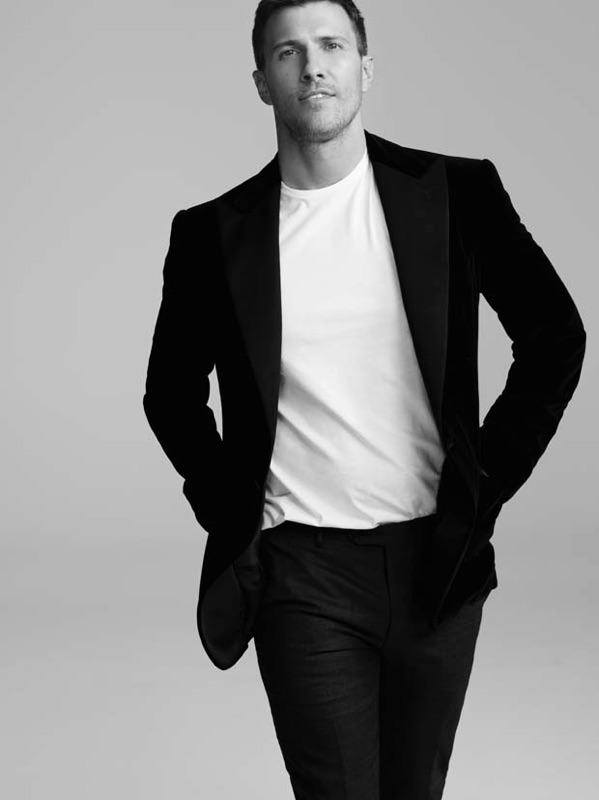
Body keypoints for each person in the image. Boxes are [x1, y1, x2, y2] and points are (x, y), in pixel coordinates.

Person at [142, 1, 586, 797]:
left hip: (434, 560)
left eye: (331, 46)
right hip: (300, 572)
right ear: (261, 81)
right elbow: (170, 395)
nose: (312, 66)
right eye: (287, 52)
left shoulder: (456, 193)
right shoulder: (213, 234)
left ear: (364, 68)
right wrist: (234, 509)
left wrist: (484, 482)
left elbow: (555, 335)